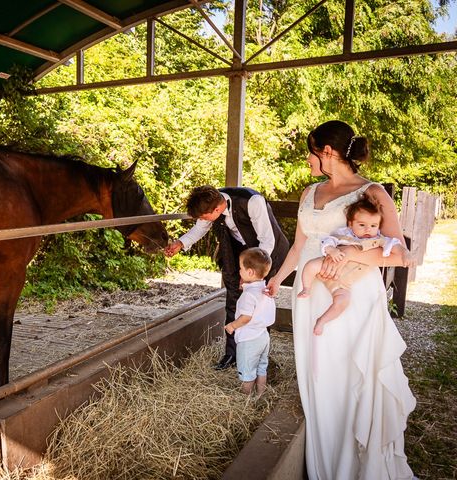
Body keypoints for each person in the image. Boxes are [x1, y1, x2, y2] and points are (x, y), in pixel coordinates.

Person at [266, 120, 416, 479]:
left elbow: (399, 255)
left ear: (328, 153)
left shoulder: (372, 192)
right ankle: (325, 463)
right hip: (311, 296)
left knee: (349, 376)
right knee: (319, 377)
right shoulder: (309, 192)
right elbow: (301, 246)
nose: (307, 159)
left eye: (311, 151)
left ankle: (356, 467)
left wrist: (348, 256)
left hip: (354, 296)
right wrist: (276, 277)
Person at [165, 185, 289, 370]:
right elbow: (200, 228)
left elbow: (267, 240)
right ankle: (232, 354)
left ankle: (256, 355)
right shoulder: (213, 202)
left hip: (265, 256)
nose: (203, 220)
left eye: (204, 216)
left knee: (258, 304)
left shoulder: (252, 202)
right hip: (237, 254)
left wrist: (252, 273)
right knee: (233, 300)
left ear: (216, 209)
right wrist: (180, 243)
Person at [298, 195, 413, 335]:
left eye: (373, 226)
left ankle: (322, 321)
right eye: (362, 225)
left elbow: (395, 245)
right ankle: (306, 288)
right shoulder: (344, 234)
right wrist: (331, 250)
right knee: (310, 266)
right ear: (351, 224)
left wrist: (406, 253)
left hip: (343, 283)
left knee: (343, 301)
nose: (368, 230)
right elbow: (328, 241)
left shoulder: (379, 239)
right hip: (327, 268)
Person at [225, 247, 275, 395]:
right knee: (261, 367)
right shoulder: (266, 291)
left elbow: (246, 317)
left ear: (250, 272)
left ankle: (245, 399)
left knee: (247, 372)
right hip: (263, 336)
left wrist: (232, 325)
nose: (239, 271)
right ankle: (260, 395)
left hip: (249, 339)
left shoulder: (248, 296)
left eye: (241, 268)